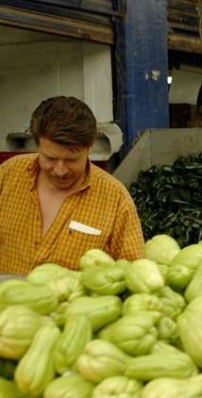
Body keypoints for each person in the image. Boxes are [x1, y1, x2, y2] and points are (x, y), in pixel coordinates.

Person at [0, 96, 145, 275]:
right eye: (50, 158)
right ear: (36, 144)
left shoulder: (115, 199)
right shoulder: (8, 174)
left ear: (89, 147)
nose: (60, 171)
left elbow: (133, 271)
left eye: (71, 160)